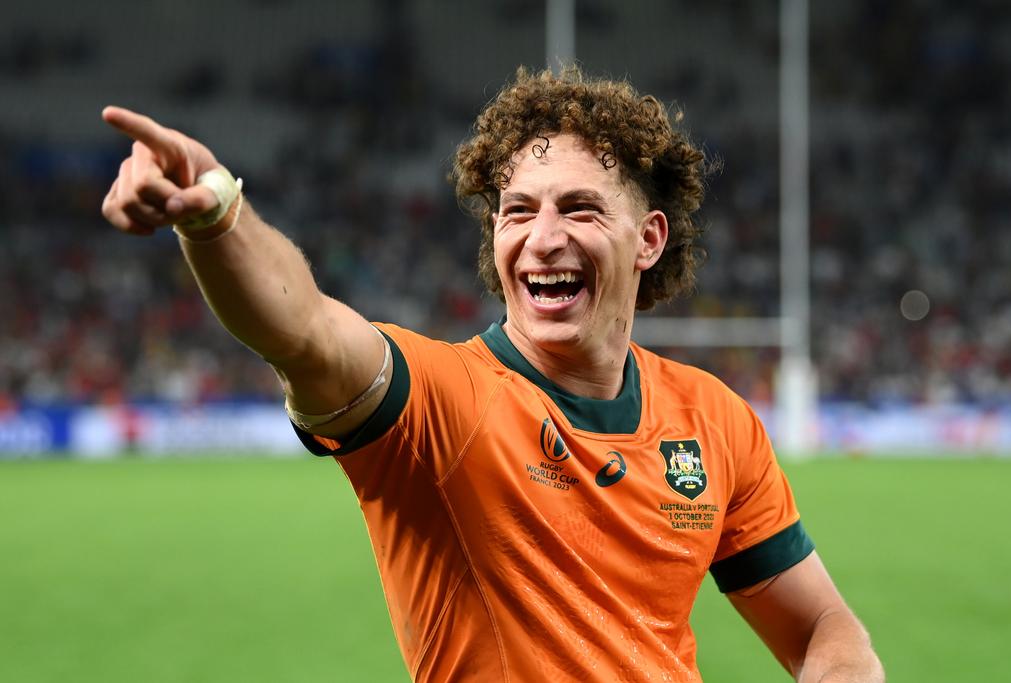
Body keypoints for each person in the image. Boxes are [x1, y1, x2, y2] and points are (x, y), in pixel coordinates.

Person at [101, 67, 883, 682]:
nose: (542, 238)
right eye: (517, 211)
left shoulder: (713, 419)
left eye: (578, 209)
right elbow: (305, 331)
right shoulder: (443, 404)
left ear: (647, 238)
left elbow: (821, 626)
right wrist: (214, 214)